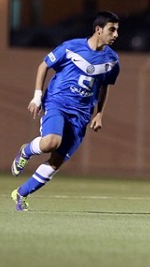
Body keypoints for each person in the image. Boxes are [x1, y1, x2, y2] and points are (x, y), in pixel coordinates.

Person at [10, 11, 121, 211]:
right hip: (57, 103)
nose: (115, 35)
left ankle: (21, 194)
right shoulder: (71, 47)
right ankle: (26, 151)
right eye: (111, 30)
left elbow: (105, 86)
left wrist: (99, 113)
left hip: (82, 114)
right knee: (51, 142)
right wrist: (36, 96)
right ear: (98, 30)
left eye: (117, 30)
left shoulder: (112, 60)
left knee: (56, 160)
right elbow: (44, 65)